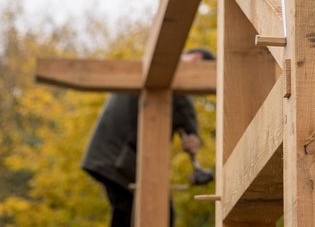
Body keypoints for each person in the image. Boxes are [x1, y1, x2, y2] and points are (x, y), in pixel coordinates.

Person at [81, 48, 215, 227]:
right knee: (159, 213)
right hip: (119, 159)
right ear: (196, 59)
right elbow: (184, 106)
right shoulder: (172, 71)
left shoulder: (154, 69)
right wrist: (192, 134)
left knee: (128, 212)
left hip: (110, 156)